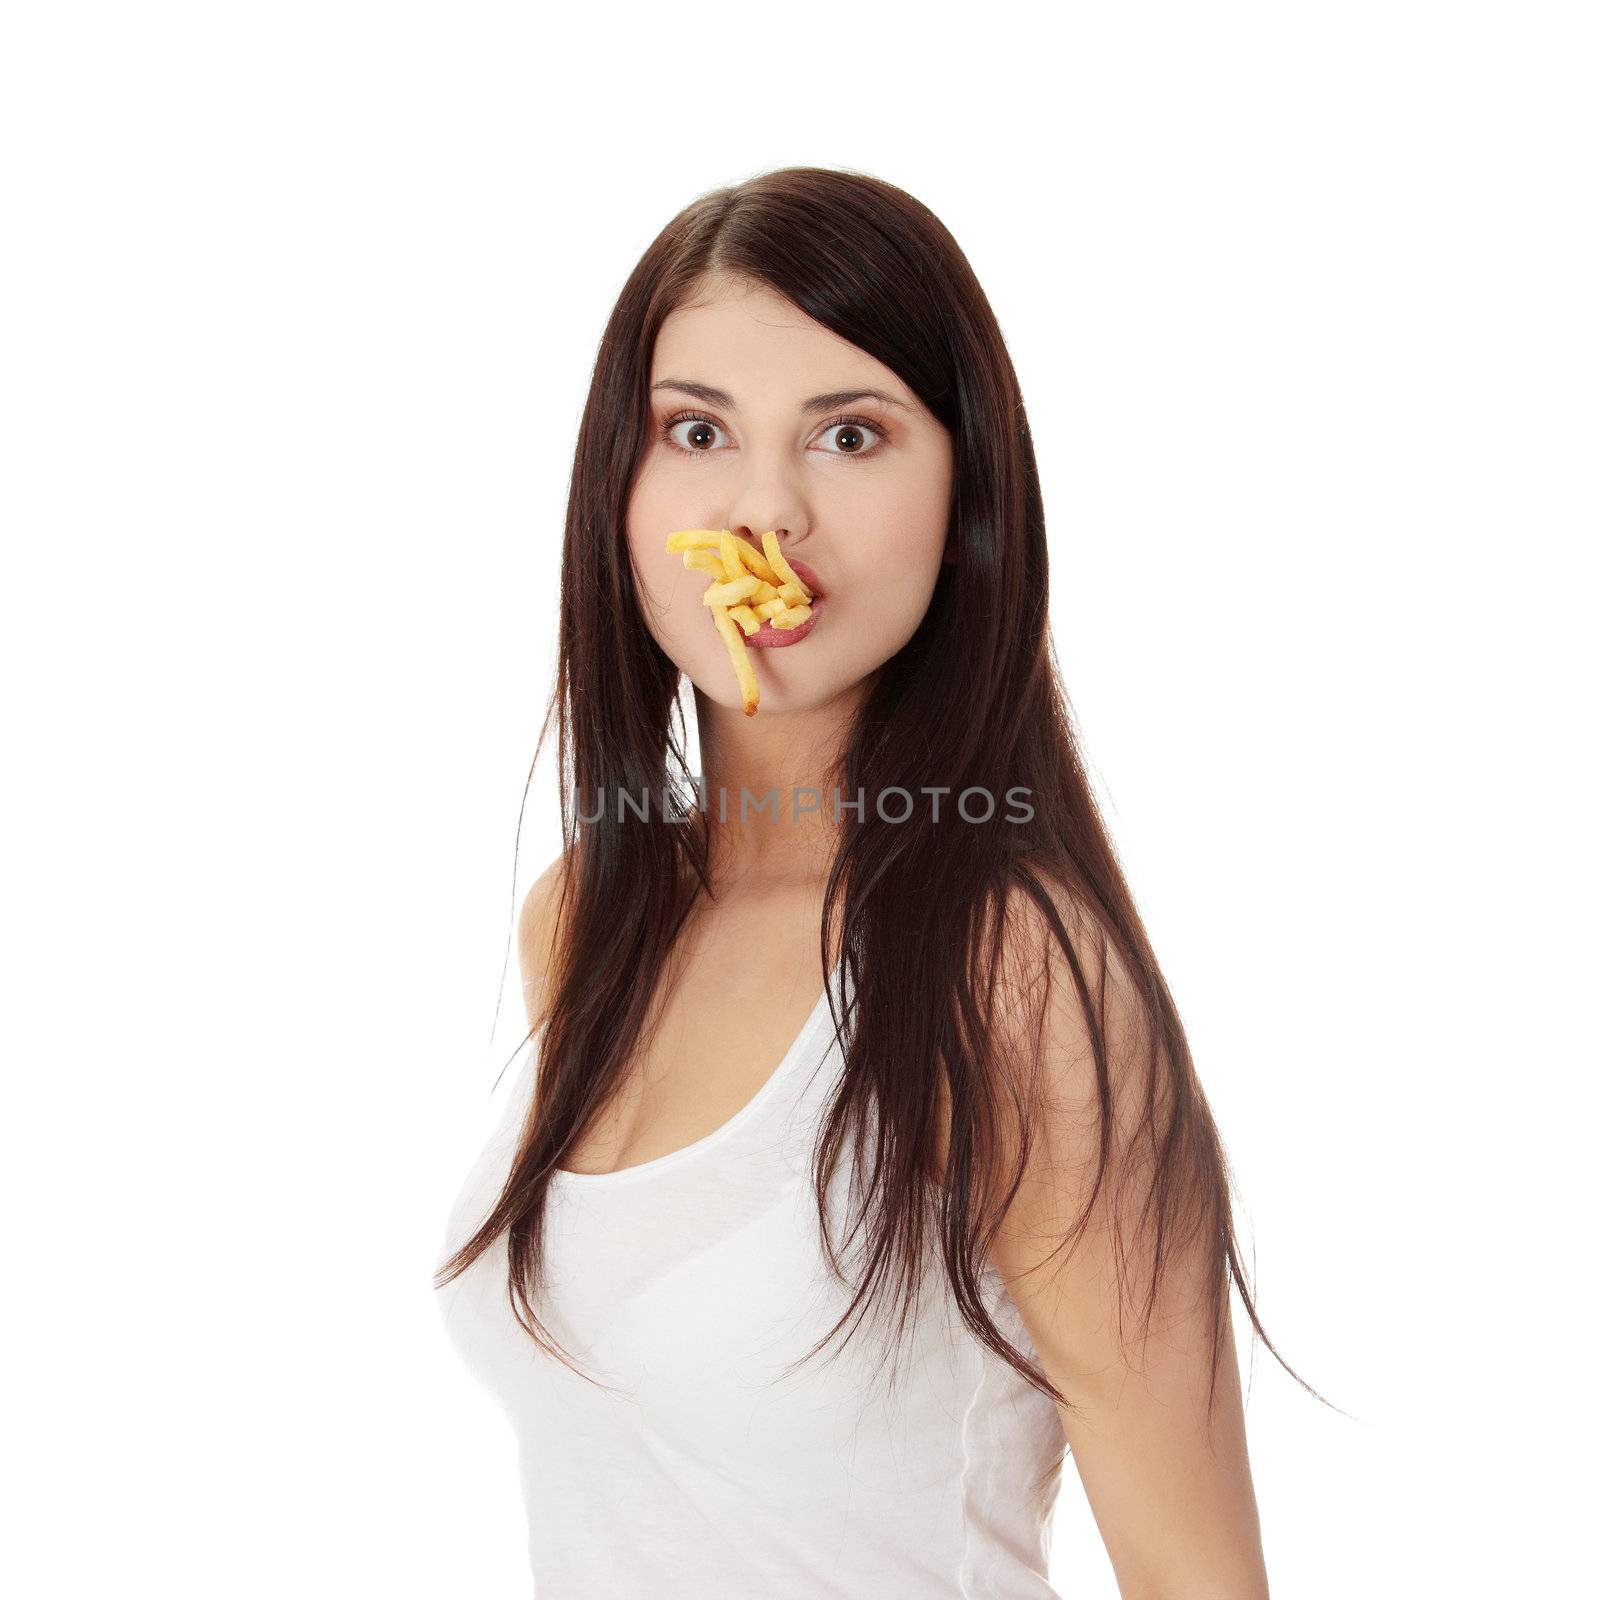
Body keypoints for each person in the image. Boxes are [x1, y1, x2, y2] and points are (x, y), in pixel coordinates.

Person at [435, 165, 1313, 1598]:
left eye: (850, 434)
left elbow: (1197, 1578)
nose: (764, 514)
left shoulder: (1014, 970)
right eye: (697, 429)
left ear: (966, 493)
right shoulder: (586, 916)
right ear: (622, 485)